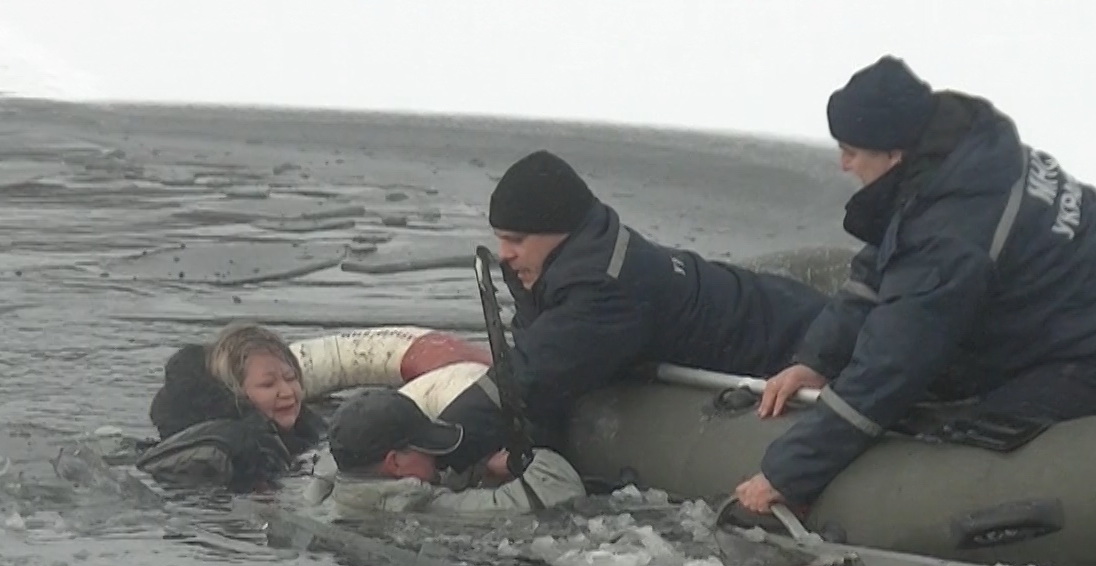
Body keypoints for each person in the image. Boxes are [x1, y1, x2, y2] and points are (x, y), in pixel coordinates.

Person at [732, 56, 1096, 513]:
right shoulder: (963, 160)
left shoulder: (953, 232)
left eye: (851, 152)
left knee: (972, 430)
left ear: (895, 153)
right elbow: (883, 267)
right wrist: (816, 362)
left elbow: (893, 362)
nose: (843, 166)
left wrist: (787, 474)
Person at [487, 150, 828, 451]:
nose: (503, 255)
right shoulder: (567, 267)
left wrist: (448, 439)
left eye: (515, 240)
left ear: (558, 232)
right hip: (771, 308)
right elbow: (547, 368)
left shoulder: (605, 288)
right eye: (501, 240)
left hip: (797, 332)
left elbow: (535, 376)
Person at [138, 323, 501, 491]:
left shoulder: (307, 429)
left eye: (290, 377)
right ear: (238, 395)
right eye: (268, 384)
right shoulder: (243, 446)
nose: (287, 392)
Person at [303, 388, 584, 517]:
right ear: (395, 463)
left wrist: (476, 471)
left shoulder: (329, 493)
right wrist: (519, 462)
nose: (436, 459)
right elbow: (557, 492)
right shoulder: (423, 510)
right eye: (425, 449)